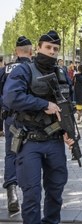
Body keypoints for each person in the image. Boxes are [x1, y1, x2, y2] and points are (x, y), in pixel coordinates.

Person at [3, 30, 75, 224]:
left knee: (56, 189)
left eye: (56, 49)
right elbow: (11, 98)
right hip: (29, 141)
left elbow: (68, 104)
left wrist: (69, 132)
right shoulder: (23, 71)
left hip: (54, 140)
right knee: (32, 193)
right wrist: (43, 104)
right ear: (38, 48)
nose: (52, 52)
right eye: (48, 47)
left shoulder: (61, 74)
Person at [0, 35, 33, 213]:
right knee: (32, 153)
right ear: (31, 51)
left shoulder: (5, 70)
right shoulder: (34, 68)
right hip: (32, 119)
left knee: (11, 153)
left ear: (15, 51)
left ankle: (12, 191)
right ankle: (30, 194)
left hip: (11, 118)